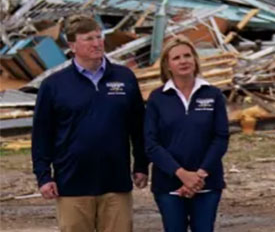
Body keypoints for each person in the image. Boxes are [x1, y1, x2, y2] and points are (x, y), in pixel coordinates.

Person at [31, 14, 148, 231]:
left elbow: (138, 127)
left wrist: (141, 165)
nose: (96, 43)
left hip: (116, 183)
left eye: (98, 37)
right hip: (72, 184)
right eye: (88, 38)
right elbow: (41, 135)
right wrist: (44, 176)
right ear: (72, 45)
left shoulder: (124, 78)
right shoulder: (54, 85)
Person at [144, 37, 230, 231]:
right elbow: (151, 143)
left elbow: (221, 137)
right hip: (169, 184)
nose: (183, 61)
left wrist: (199, 175)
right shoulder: (157, 98)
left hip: (207, 182)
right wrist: (182, 174)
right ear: (167, 65)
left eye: (187, 55)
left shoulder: (212, 94)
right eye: (176, 58)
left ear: (195, 60)